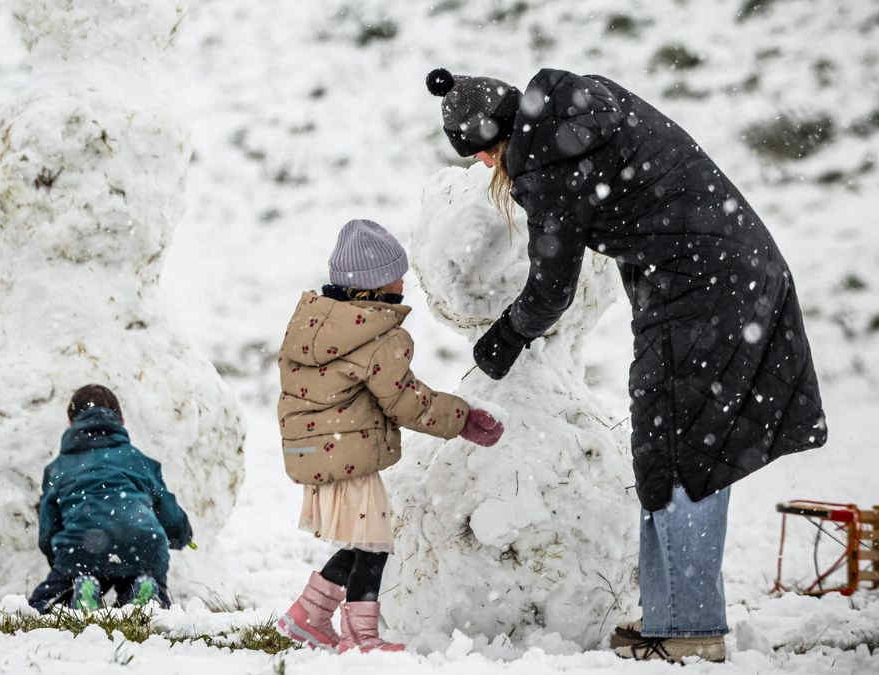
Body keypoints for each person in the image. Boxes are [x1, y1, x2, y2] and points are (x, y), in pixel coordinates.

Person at [427, 67, 828, 662]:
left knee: (684, 446)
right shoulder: (573, 113)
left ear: (495, 136)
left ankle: (690, 626)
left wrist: (505, 337)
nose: (488, 166)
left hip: (704, 289)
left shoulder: (551, 158)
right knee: (671, 442)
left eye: (485, 152)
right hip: (721, 275)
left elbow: (551, 287)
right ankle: (673, 617)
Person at [275, 219, 505, 653]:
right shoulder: (379, 337)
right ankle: (361, 638)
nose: (404, 285)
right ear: (376, 288)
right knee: (375, 545)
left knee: (364, 542)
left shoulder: (312, 325)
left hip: (315, 451)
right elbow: (406, 402)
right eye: (398, 277)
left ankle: (309, 616)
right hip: (346, 452)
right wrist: (463, 418)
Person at [28, 384, 192, 613]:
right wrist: (181, 536)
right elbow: (169, 514)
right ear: (121, 421)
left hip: (82, 544)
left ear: (70, 422)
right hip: (143, 542)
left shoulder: (59, 468)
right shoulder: (138, 461)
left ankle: (81, 588)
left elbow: (48, 530)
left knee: (44, 605)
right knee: (145, 587)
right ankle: (141, 593)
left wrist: (61, 561)